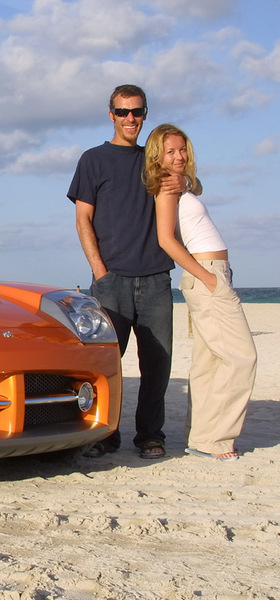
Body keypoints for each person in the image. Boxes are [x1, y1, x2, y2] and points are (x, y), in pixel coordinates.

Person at [67, 84, 189, 459]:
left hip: (155, 279)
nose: (130, 118)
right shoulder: (93, 160)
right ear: (112, 115)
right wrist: (100, 272)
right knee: (107, 366)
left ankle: (150, 435)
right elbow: (83, 219)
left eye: (137, 111)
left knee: (158, 365)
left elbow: (188, 177)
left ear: (145, 114)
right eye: (123, 112)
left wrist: (187, 181)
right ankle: (105, 435)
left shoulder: (155, 159)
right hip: (111, 282)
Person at [144, 123, 256, 461]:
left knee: (209, 363)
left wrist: (188, 182)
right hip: (206, 275)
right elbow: (166, 240)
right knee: (241, 358)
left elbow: (198, 185)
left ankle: (201, 439)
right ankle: (216, 439)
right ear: (157, 155)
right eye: (170, 151)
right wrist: (207, 278)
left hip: (214, 273)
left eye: (182, 149)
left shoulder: (180, 183)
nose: (179, 156)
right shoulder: (167, 186)